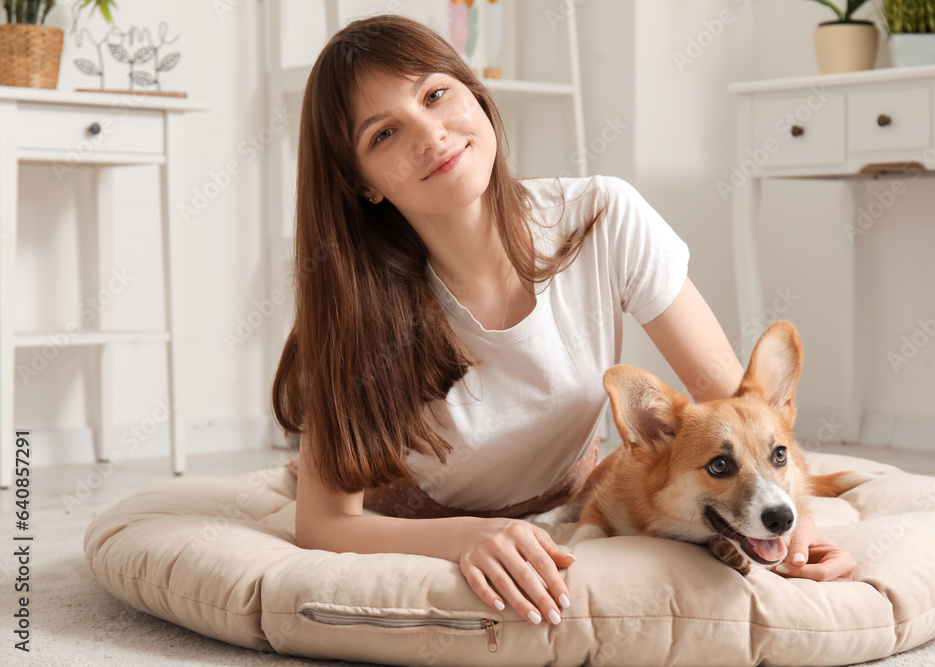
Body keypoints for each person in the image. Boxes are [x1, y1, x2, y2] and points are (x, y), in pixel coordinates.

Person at [272, 14, 855, 629]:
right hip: (418, 516)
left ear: (477, 94)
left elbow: (738, 406)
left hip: (573, 497)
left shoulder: (603, 217)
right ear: (362, 184)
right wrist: (468, 538)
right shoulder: (354, 304)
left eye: (436, 94)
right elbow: (324, 522)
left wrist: (800, 533)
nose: (431, 134)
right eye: (385, 132)